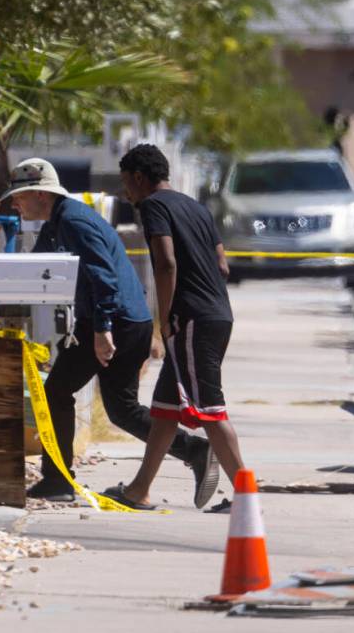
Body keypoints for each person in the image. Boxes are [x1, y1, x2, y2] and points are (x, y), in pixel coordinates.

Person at [1, 158, 220, 507]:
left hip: (117, 322)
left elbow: (105, 277)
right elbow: (32, 274)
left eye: (20, 196)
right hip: (118, 321)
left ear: (41, 194)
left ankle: (58, 479)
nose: (14, 204)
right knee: (121, 409)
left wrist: (102, 330)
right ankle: (192, 449)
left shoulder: (74, 221)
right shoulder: (57, 223)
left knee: (58, 391)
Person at [105, 144, 245, 512]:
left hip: (192, 319)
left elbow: (166, 263)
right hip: (217, 314)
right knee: (165, 408)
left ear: (139, 177)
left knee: (210, 410)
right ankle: (138, 490)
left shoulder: (154, 206)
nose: (126, 193)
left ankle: (248, 498)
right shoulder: (196, 207)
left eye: (126, 184)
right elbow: (222, 265)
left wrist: (164, 318)